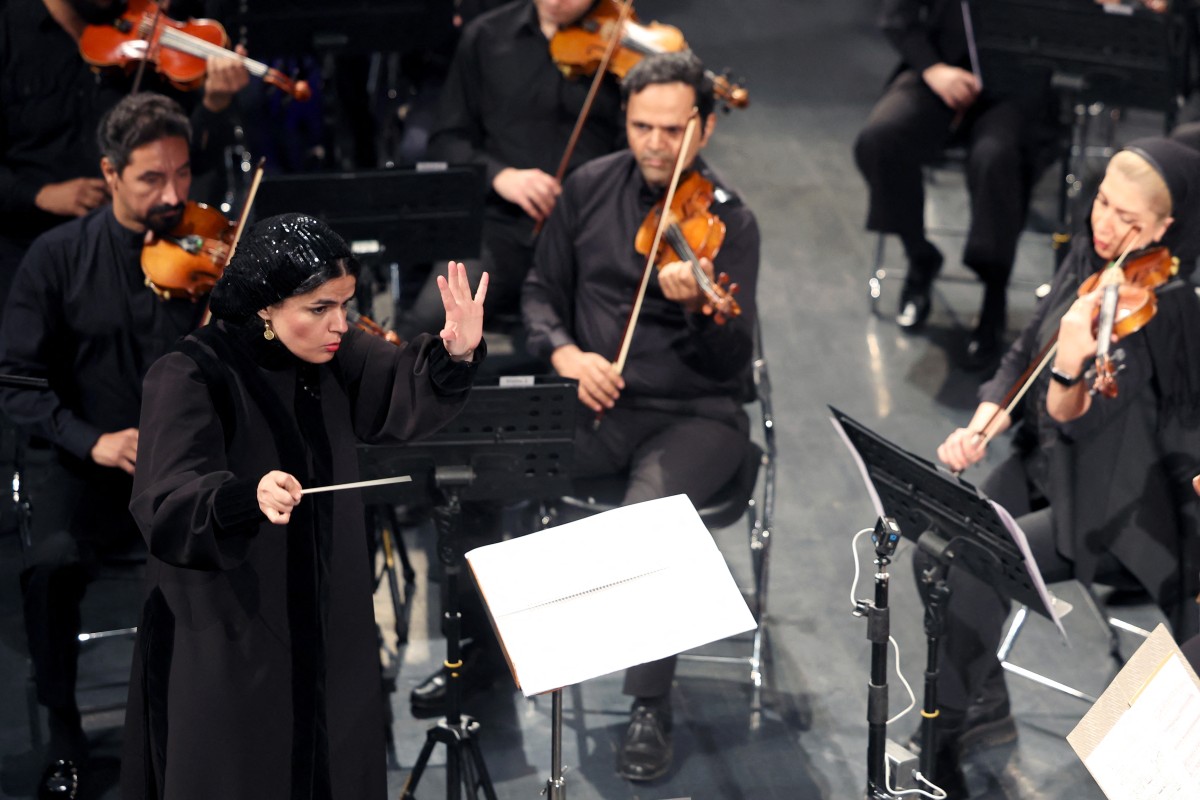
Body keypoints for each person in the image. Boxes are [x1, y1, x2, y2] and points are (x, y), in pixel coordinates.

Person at [120, 214, 486, 799]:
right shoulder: (189, 373)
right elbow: (165, 501)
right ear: (266, 307)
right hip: (233, 624)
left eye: (345, 304)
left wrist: (454, 355)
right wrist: (244, 496)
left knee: (333, 757)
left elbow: (399, 392)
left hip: (328, 610)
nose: (340, 323)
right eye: (319, 308)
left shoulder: (332, 354)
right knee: (246, 768)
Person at [919, 137, 1200, 796]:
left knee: (970, 556)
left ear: (1166, 228)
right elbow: (1030, 346)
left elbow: (1086, 414)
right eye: (1103, 202)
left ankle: (944, 733)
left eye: (1128, 220)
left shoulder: (1177, 311)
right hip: (1048, 461)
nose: (1105, 225)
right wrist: (987, 416)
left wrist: (1077, 364)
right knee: (935, 547)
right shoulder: (1092, 255)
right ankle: (974, 707)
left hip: (1114, 504)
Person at [522, 50, 760, 782]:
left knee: (650, 515)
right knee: (488, 461)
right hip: (598, 399)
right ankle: (484, 667)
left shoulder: (731, 222)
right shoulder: (590, 187)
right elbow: (537, 291)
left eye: (671, 129)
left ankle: (648, 705)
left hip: (696, 416)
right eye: (641, 126)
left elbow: (733, 363)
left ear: (705, 128)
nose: (656, 144)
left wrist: (701, 313)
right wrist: (565, 354)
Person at [0, 91, 216, 799]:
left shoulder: (204, 250)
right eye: (152, 179)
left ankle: (211, 722)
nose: (174, 194)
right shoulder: (54, 258)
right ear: (111, 173)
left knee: (238, 535)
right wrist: (92, 441)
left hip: (178, 463)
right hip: (84, 463)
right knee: (51, 565)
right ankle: (64, 731)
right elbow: (17, 382)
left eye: (183, 175)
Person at [397, 0, 625, 342]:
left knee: (613, 340)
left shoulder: (624, 47)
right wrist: (501, 177)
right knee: (427, 327)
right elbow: (448, 139)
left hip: (589, 232)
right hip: (501, 226)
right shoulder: (486, 37)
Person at [0, 0, 250, 308]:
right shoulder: (9, 30)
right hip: (25, 246)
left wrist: (214, 104)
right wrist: (39, 195)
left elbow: (190, 158)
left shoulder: (144, 31)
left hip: (140, 254)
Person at [853, 0, 1045, 368]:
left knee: (996, 160)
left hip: (1017, 87)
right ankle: (920, 256)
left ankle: (993, 293)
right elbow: (898, 18)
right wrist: (934, 69)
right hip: (942, 71)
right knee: (880, 140)